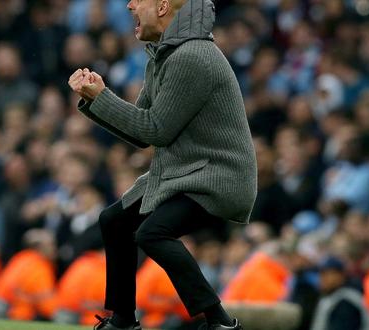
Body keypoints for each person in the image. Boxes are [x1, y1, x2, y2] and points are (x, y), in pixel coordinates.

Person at [68, 0, 257, 329]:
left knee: (152, 234)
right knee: (114, 221)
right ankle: (123, 321)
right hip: (186, 173)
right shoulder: (165, 53)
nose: (129, 5)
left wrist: (102, 97)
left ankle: (220, 322)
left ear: (162, 7)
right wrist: (94, 97)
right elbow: (143, 133)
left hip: (218, 177)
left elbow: (155, 130)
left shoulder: (191, 55)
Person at [310, 256, 369, 330]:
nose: (322, 279)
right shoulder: (332, 296)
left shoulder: (347, 302)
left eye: (327, 274)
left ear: (341, 275)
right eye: (321, 274)